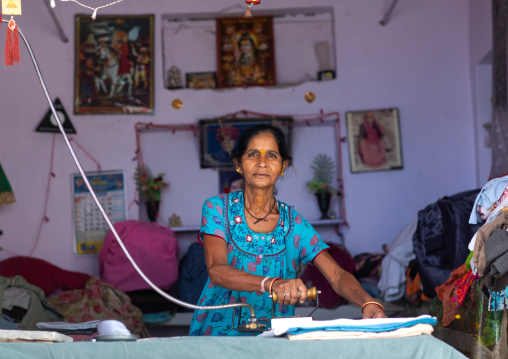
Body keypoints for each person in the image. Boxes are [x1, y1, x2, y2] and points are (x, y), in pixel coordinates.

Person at [189, 125, 386, 336]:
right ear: (239, 164)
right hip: (218, 336)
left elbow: (337, 276)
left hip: (274, 339)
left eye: (271, 155)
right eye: (252, 154)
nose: (262, 162)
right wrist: (273, 284)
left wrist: (368, 303)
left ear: (283, 166)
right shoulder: (217, 208)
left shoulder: (295, 225)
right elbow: (217, 271)